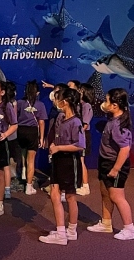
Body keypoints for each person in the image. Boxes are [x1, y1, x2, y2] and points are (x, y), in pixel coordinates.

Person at [88, 88, 134, 241]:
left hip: (115, 164)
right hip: (105, 161)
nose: (104, 103)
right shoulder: (113, 119)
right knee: (105, 192)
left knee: (117, 197)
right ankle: (106, 223)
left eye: (107, 100)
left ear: (115, 105)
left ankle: (130, 229)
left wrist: (116, 169)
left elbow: (125, 149)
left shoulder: (118, 125)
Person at [39, 86, 85, 246]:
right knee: (55, 193)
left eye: (58, 99)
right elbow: (57, 136)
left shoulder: (76, 122)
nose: (55, 101)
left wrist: (59, 148)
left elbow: (79, 145)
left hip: (69, 162)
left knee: (70, 196)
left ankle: (67, 232)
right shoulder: (60, 117)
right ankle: (64, 231)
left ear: (65, 102)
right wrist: (53, 144)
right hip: (58, 160)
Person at [0, 79, 18, 219]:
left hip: (0, 143)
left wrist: (3, 135)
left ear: (2, 92)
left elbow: (14, 124)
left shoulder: (7, 106)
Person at [17, 81, 48, 195]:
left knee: (22, 154)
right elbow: (41, 122)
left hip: (20, 131)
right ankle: (29, 186)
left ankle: (23, 172)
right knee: (31, 160)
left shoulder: (19, 103)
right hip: (32, 132)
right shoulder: (40, 105)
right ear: (37, 93)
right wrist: (41, 138)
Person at [68, 80, 94, 197]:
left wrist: (77, 134)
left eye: (81, 91)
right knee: (77, 160)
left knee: (81, 160)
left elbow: (85, 124)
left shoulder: (86, 106)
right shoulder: (78, 105)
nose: (79, 92)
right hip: (78, 135)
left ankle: (85, 186)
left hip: (83, 136)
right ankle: (78, 184)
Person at [3, 81, 22, 197]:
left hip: (5, 134)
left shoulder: (5, 104)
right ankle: (8, 186)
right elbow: (14, 120)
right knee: (11, 159)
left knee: (6, 160)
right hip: (11, 135)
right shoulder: (12, 103)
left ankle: (5, 187)